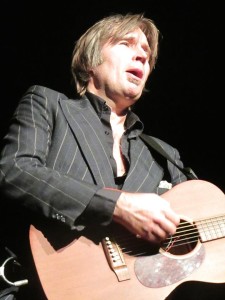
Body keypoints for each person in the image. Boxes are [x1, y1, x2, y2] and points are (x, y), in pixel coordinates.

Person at [1, 12, 219, 300]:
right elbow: (14, 170)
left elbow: (201, 225)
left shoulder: (165, 155)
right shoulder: (48, 105)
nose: (142, 56)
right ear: (91, 61)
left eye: (147, 53)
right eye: (127, 44)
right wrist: (117, 205)